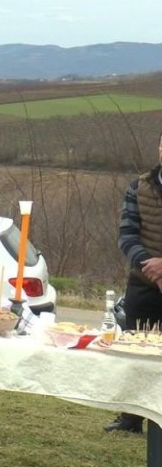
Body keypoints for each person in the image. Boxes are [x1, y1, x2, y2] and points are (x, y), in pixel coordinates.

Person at [105, 130, 162, 435]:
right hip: (143, 282)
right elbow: (126, 235)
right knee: (135, 350)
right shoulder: (137, 187)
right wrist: (150, 266)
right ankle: (130, 419)